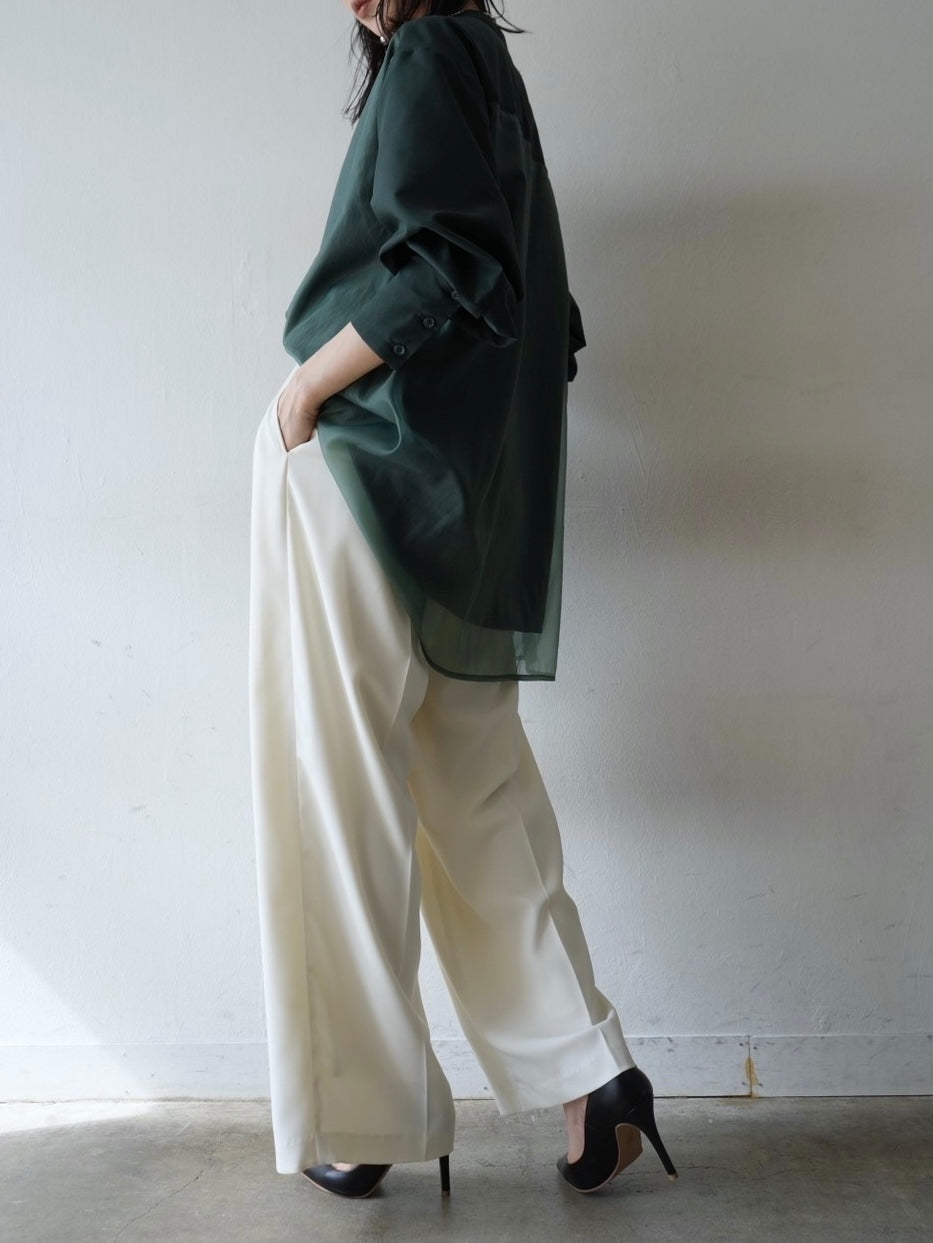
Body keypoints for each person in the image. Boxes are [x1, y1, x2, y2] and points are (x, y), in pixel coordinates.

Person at [247, 0, 679, 1200]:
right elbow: (540, 309)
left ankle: (365, 1113)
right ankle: (592, 1074)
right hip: (458, 504)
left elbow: (446, 264)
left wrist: (305, 393)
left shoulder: (432, 52)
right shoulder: (480, 61)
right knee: (477, 789)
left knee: (341, 793)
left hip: (365, 480)